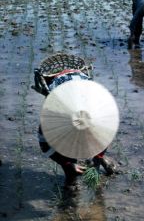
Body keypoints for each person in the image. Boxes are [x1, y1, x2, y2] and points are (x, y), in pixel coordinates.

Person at [32, 53, 116, 186]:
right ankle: (70, 173)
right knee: (68, 159)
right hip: (60, 87)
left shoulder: (101, 115)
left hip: (80, 84)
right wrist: (67, 164)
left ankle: (96, 160)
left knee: (95, 142)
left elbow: (106, 137)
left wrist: (98, 159)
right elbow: (45, 145)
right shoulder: (53, 117)